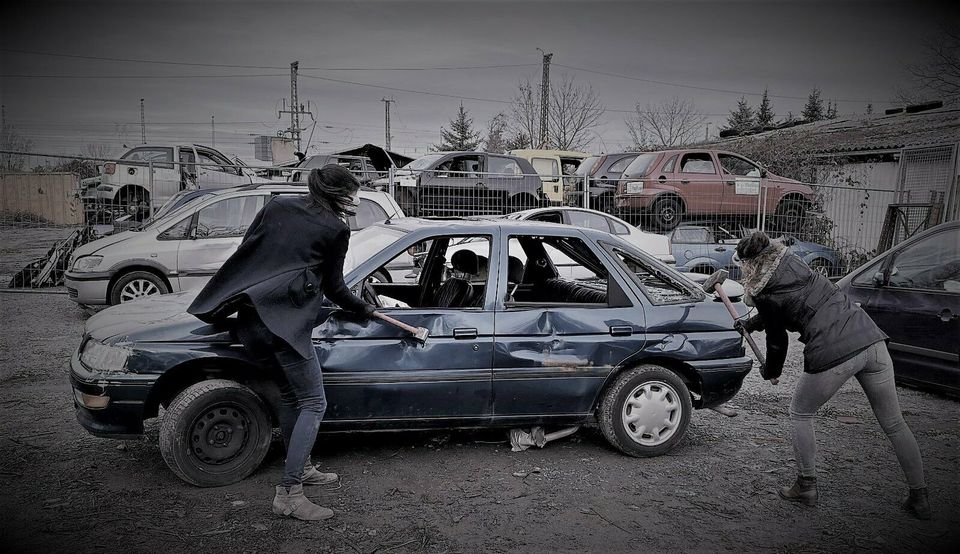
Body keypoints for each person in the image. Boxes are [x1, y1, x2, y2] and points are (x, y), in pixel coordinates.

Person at [188, 165, 374, 521]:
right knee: (314, 402)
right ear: (339, 194)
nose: (357, 197)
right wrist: (364, 308)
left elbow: (249, 251)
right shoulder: (336, 228)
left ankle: (301, 466)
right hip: (284, 329)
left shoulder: (278, 206)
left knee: (291, 396)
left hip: (251, 320)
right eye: (354, 192)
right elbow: (335, 288)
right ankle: (289, 493)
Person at [734, 231, 930, 520]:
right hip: (871, 340)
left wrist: (770, 370)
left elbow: (778, 341)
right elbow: (789, 305)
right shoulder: (798, 266)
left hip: (834, 351)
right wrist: (751, 324)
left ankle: (806, 486)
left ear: (751, 265)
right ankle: (920, 497)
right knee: (894, 423)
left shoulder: (765, 292)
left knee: (800, 412)